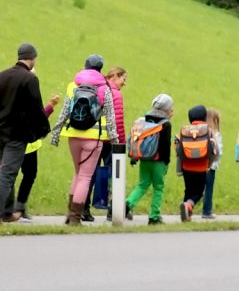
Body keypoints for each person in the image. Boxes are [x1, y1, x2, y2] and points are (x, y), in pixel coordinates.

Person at [50, 54, 119, 226]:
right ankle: (75, 217)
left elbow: (65, 111)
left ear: (85, 66)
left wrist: (56, 133)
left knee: (78, 173)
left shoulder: (73, 85)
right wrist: (115, 140)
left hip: (73, 135)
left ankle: (69, 213)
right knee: (85, 177)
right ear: (100, 69)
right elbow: (111, 118)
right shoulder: (105, 88)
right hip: (94, 138)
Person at [0, 44, 51, 224]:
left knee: (5, 173)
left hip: (0, 132)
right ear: (33, 58)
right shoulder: (29, 79)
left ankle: (7, 213)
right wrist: (43, 129)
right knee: (7, 175)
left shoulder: (3, 76)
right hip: (16, 134)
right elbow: (35, 108)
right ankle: (2, 213)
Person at [5, 91, 59, 222]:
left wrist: (50, 106)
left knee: (23, 175)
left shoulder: (10, 101)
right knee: (16, 176)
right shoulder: (25, 102)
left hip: (26, 146)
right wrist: (51, 105)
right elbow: (38, 119)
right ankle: (13, 209)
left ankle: (18, 208)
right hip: (23, 146)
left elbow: (39, 118)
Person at [83, 66, 127, 221]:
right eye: (123, 79)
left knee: (89, 174)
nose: (124, 83)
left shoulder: (97, 89)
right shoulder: (115, 93)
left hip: (93, 137)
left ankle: (84, 208)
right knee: (113, 175)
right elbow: (118, 121)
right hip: (109, 141)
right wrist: (121, 142)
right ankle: (112, 210)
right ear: (115, 76)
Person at [125, 94, 173, 225]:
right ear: (167, 110)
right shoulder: (166, 124)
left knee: (142, 184)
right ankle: (154, 217)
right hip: (158, 161)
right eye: (171, 109)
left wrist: (135, 157)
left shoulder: (144, 120)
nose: (172, 111)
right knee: (158, 187)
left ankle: (127, 204)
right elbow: (165, 146)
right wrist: (166, 162)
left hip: (144, 159)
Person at [176, 105, 216, 222]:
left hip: (186, 167)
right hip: (201, 167)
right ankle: (188, 205)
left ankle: (186, 212)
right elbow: (214, 150)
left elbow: (179, 149)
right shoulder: (208, 131)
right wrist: (210, 164)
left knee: (188, 190)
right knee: (199, 192)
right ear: (205, 117)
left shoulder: (185, 130)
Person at [202, 108, 223, 219]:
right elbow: (218, 150)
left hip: (200, 164)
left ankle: (188, 205)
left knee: (199, 188)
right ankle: (207, 211)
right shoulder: (215, 133)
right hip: (211, 166)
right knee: (209, 188)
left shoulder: (202, 131)